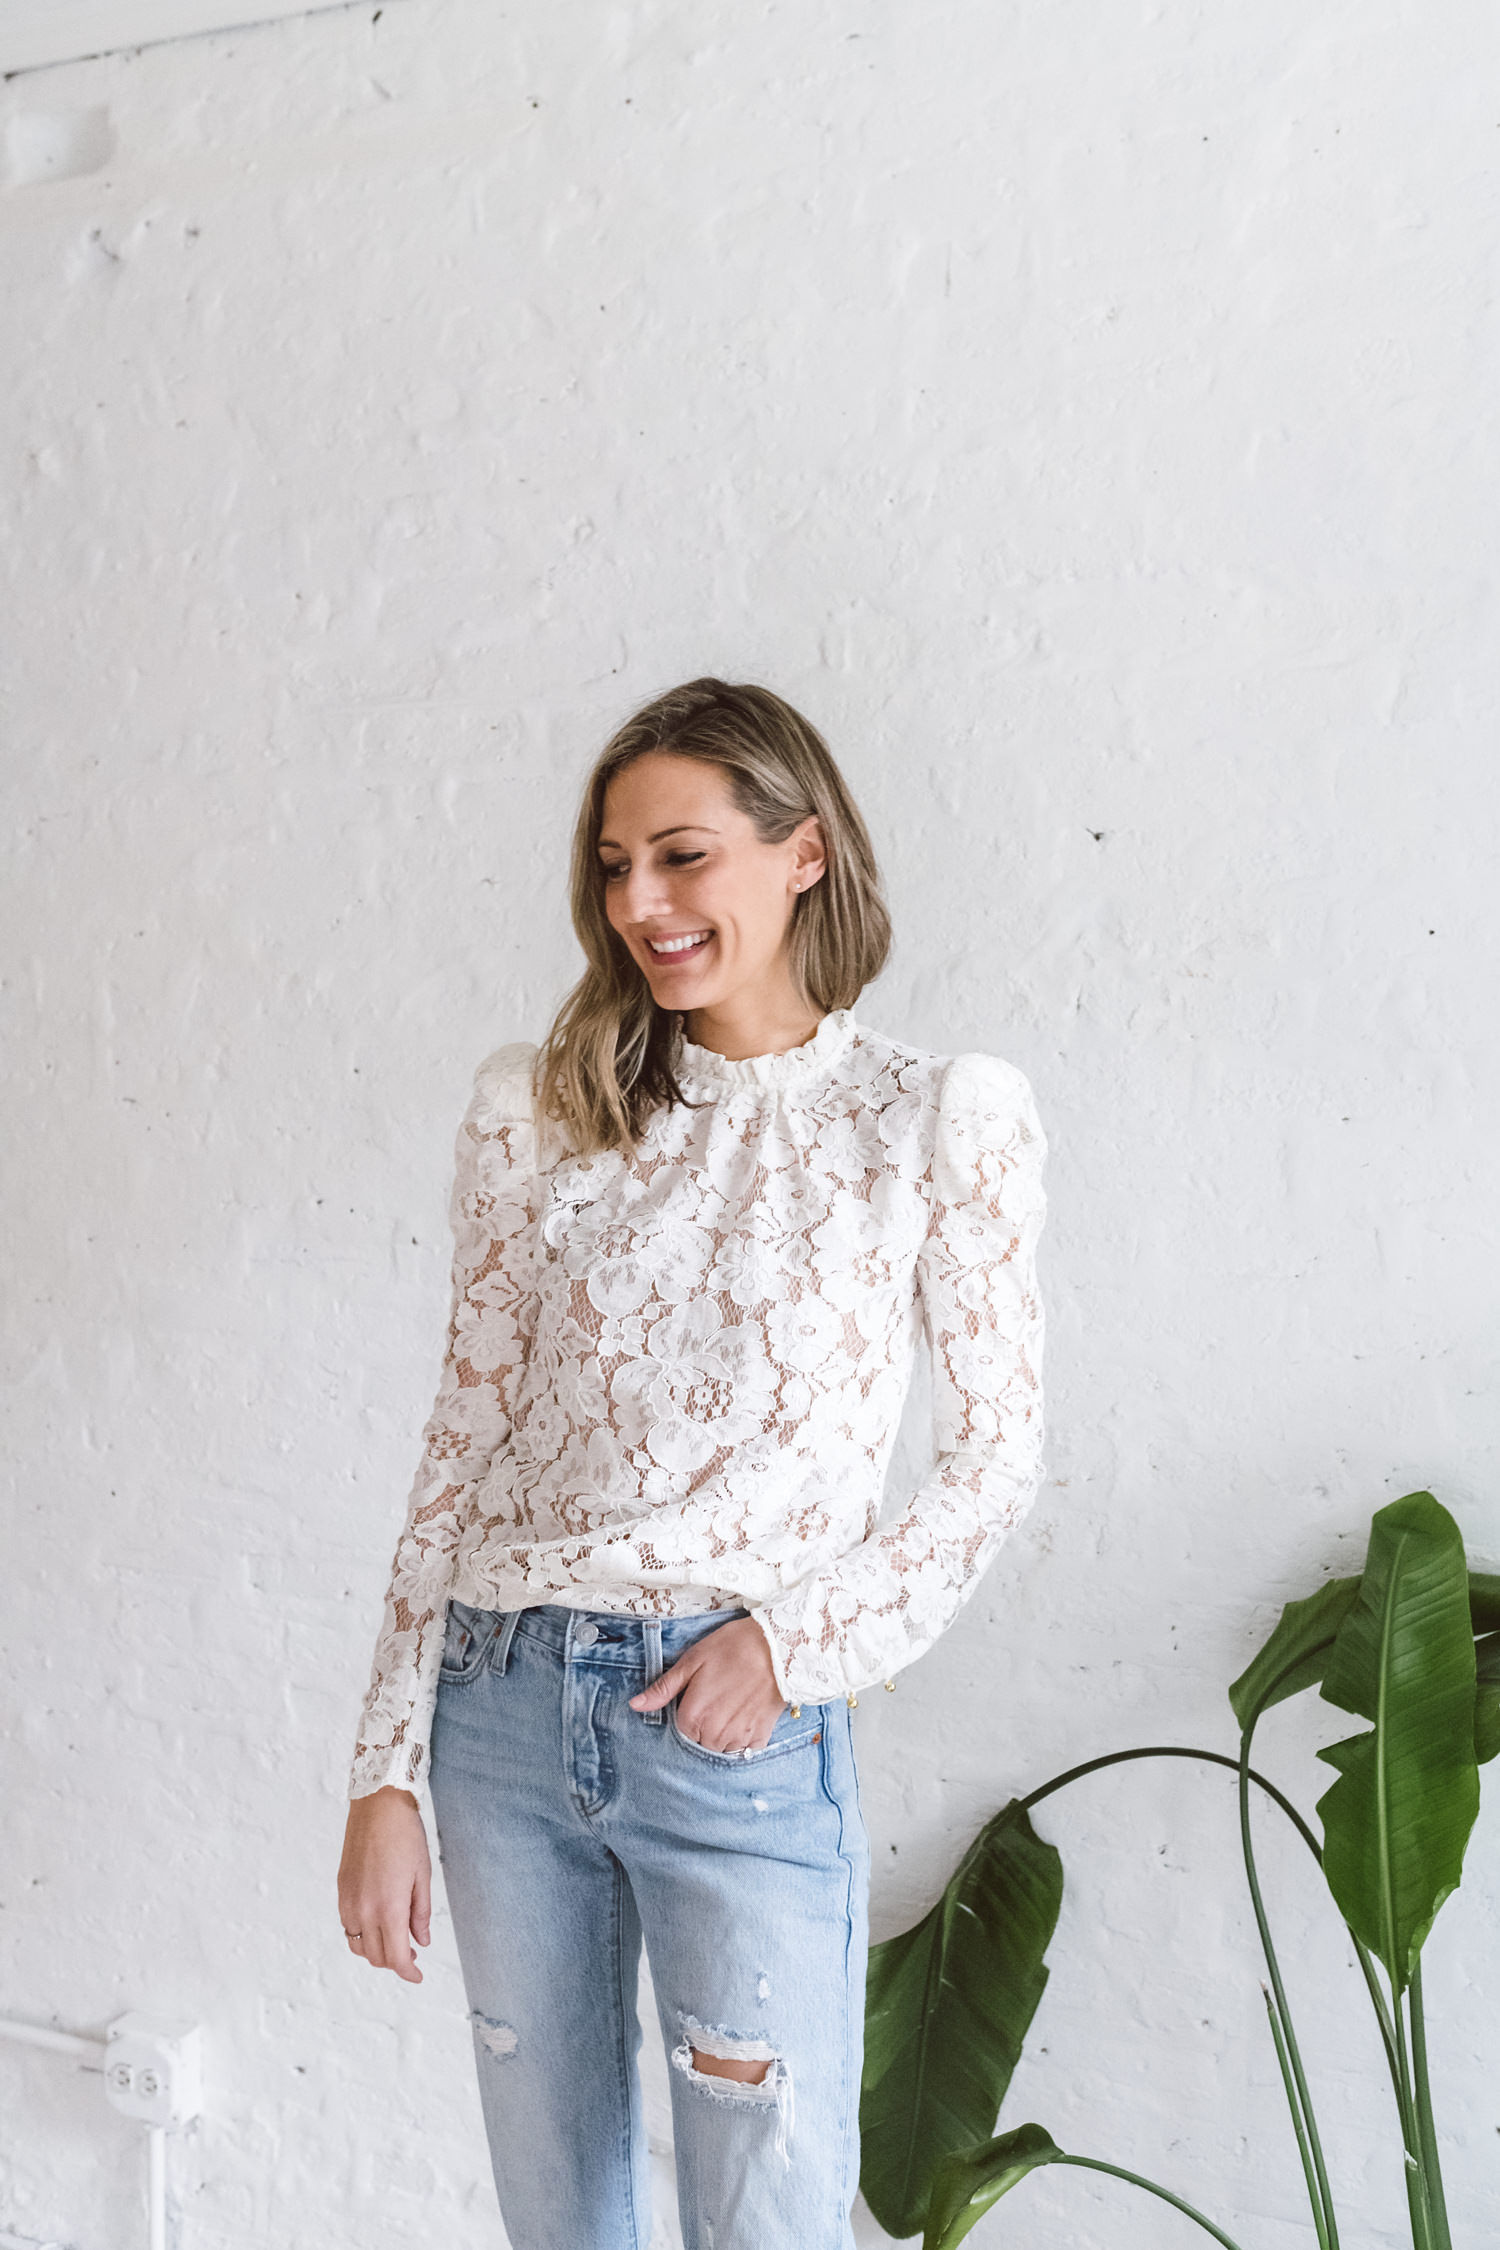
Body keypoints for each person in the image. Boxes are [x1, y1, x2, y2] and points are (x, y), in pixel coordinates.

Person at [336, 677, 1047, 2250]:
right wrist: (384, 1766)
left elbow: (993, 1457)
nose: (639, 903)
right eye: (612, 866)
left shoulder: (928, 1120)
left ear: (802, 853)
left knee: (767, 2225)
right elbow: (457, 1443)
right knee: (563, 2226)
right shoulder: (538, 1113)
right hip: (502, 1717)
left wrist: (794, 1644)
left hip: (737, 1742)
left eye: (680, 856)